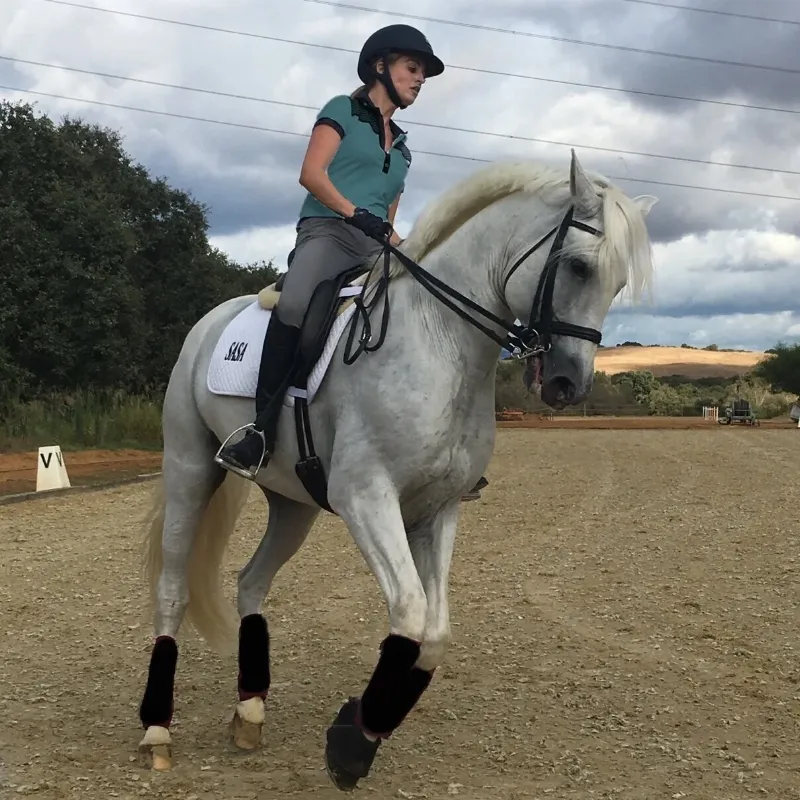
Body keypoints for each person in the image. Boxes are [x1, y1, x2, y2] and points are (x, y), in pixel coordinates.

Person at [215, 24, 489, 502]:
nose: (420, 79)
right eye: (412, 68)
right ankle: (258, 432)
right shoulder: (341, 110)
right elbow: (310, 174)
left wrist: (413, 250)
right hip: (326, 231)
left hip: (373, 244)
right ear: (381, 66)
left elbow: (388, 216)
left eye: (422, 73)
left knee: (427, 306)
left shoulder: (402, 147)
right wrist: (353, 213)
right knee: (297, 303)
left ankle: (442, 445)